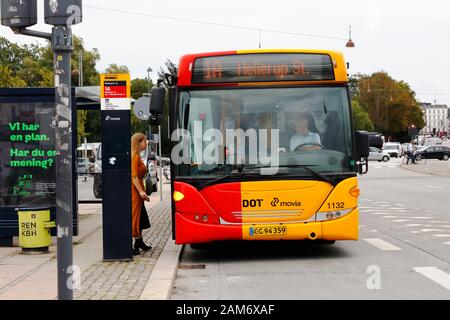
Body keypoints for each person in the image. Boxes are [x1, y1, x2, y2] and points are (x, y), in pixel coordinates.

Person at [131, 133, 152, 255]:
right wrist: (141, 192)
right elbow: (133, 176)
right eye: (144, 141)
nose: (146, 143)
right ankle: (136, 244)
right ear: (138, 143)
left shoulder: (136, 156)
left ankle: (139, 242)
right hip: (135, 191)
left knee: (140, 216)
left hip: (137, 189)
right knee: (136, 216)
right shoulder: (135, 156)